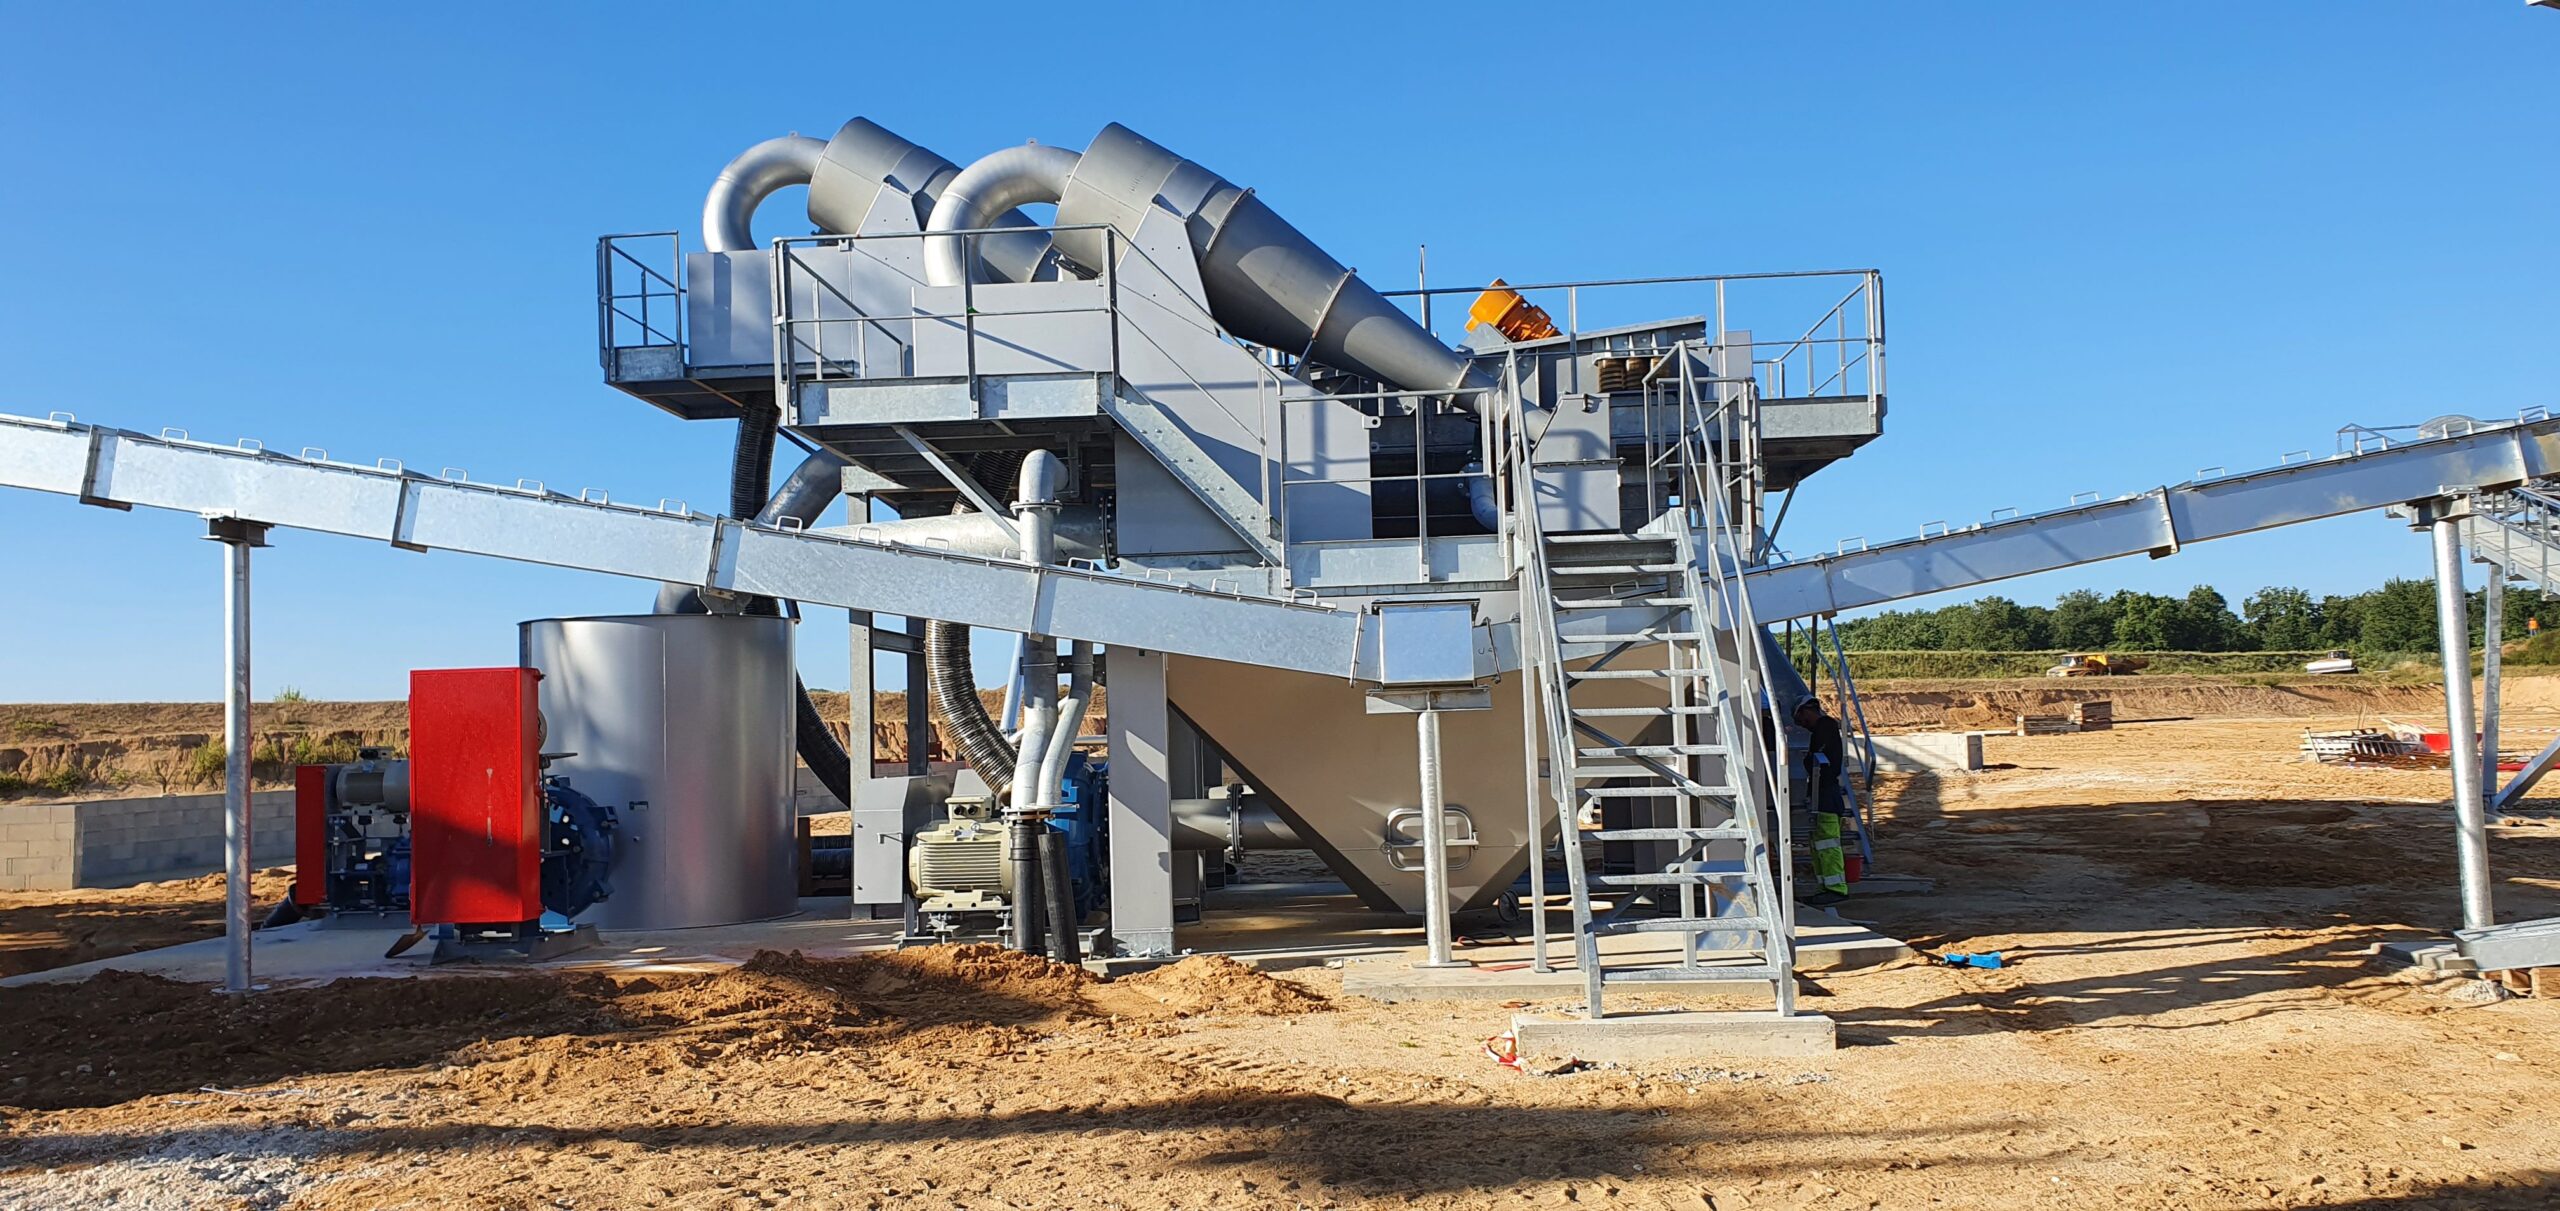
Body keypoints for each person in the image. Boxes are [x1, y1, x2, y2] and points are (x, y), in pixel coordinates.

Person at [1794, 697, 1851, 905]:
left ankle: (1835, 888)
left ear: (1806, 712)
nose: (1803, 725)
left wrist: (1809, 760)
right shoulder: (1823, 730)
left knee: (1827, 844)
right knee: (1820, 845)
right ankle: (1826, 887)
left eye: (1801, 719)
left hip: (1826, 796)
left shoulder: (1825, 728)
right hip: (1823, 794)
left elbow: (1819, 764)